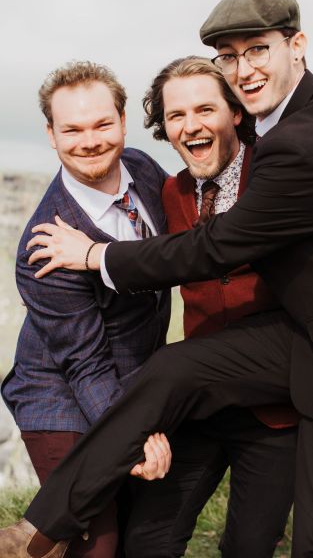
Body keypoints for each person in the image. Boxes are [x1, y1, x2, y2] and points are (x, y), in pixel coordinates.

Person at [2, 0, 313, 558]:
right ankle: (37, 533)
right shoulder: (164, 184)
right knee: (175, 369)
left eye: (258, 50)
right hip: (251, 364)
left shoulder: (290, 145)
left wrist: (95, 255)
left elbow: (217, 247)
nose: (246, 68)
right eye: (231, 57)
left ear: (298, 47)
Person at [125, 56, 298, 558]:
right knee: (147, 540)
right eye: (176, 115)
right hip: (199, 401)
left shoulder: (280, 175)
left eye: (205, 109)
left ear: (236, 113)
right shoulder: (170, 192)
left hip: (277, 410)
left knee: (249, 547)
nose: (191, 125)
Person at [0, 61, 172, 558]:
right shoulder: (43, 250)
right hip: (59, 396)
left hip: (132, 380)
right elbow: (85, 364)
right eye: (71, 129)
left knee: (139, 528)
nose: (89, 140)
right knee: (97, 543)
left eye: (102, 124)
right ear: (51, 135)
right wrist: (133, 435)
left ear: (122, 122)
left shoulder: (140, 167)